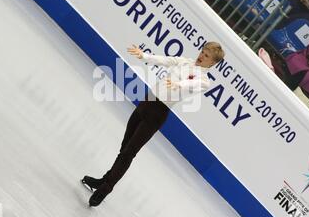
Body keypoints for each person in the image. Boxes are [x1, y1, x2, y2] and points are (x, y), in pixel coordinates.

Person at [82, 42, 225, 207]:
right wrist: (144, 56)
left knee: (129, 152)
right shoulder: (184, 61)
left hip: (158, 113)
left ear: (212, 63)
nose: (201, 56)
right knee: (124, 147)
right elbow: (165, 60)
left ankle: (105, 189)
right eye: (202, 51)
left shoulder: (204, 80)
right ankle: (104, 180)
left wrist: (179, 84)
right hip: (146, 102)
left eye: (206, 55)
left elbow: (192, 84)